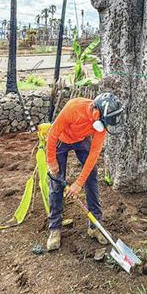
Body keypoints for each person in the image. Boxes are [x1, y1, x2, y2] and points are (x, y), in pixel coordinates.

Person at [45, 92, 124, 251]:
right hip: (62, 139)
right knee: (56, 182)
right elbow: (52, 134)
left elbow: (94, 155)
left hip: (82, 140)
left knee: (91, 177)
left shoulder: (101, 125)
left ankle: (95, 226)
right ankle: (55, 228)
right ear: (96, 113)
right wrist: (51, 162)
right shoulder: (74, 108)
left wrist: (78, 184)